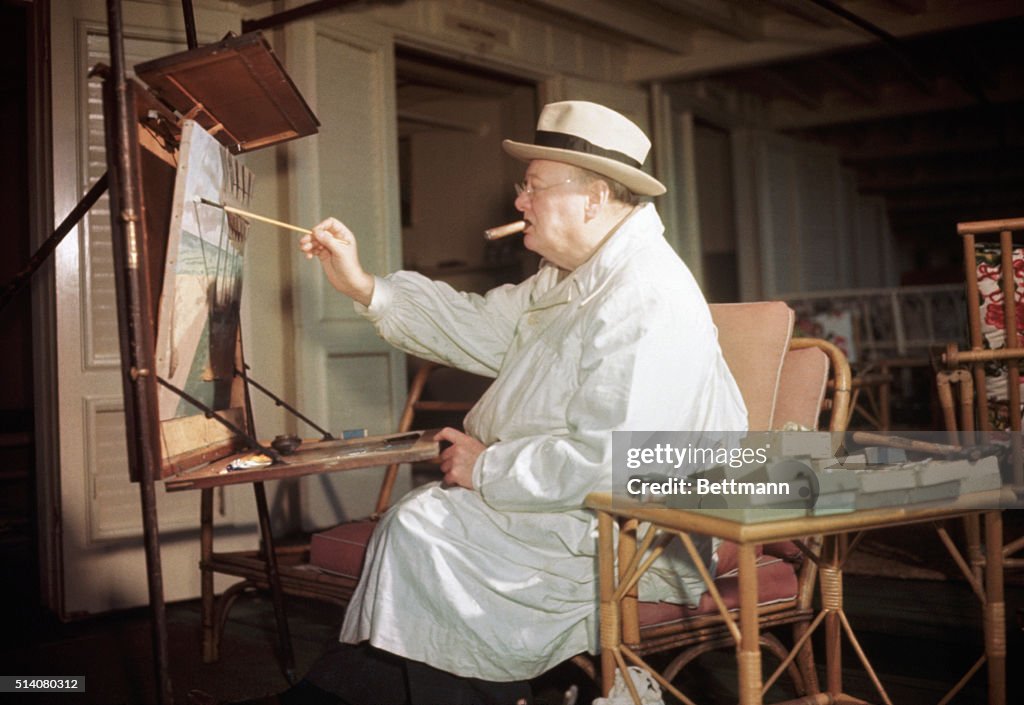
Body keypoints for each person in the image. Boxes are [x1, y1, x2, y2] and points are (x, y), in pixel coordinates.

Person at [216, 100, 747, 705]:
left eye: (535, 187)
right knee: (422, 526)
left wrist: (487, 467)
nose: (519, 202)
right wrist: (363, 284)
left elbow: (617, 459)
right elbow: (480, 325)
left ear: (594, 198)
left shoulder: (646, 297)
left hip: (636, 534)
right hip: (568, 507)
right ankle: (337, 694)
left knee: (427, 530)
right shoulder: (572, 280)